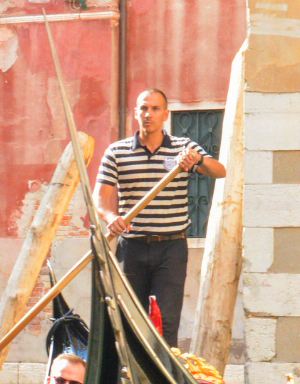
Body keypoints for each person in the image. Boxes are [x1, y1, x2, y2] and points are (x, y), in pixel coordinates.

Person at [95, 88, 226, 347]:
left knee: (166, 322)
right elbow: (99, 198)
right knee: (132, 320)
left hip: (171, 248)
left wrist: (198, 159)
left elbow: (219, 171)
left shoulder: (183, 148)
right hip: (132, 247)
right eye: (143, 108)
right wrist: (111, 217)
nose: (148, 114)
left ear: (165, 114)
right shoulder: (116, 152)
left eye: (155, 109)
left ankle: (165, 378)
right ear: (136, 113)